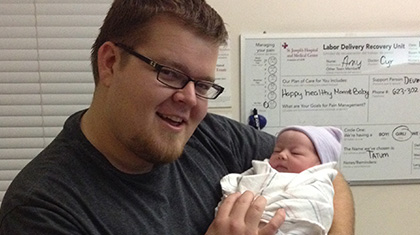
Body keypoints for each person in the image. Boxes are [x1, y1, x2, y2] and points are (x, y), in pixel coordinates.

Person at [0, 0, 354, 234]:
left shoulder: (214, 137)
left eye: (202, 84)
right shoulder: (42, 210)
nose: (189, 99)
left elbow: (328, 175)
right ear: (110, 63)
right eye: (168, 72)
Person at [218, 126, 344, 234]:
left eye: (295, 153)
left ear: (320, 164)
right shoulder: (263, 169)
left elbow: (315, 209)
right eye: (277, 150)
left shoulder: (316, 183)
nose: (282, 155)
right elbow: (241, 181)